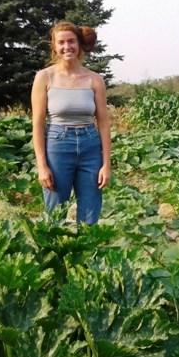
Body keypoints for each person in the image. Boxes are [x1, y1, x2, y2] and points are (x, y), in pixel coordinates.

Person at [31, 22, 111, 225]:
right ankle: (55, 255)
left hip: (90, 147)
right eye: (61, 42)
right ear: (54, 47)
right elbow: (38, 124)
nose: (67, 47)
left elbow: (103, 123)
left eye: (71, 41)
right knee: (55, 210)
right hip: (58, 145)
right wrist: (42, 166)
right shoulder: (44, 77)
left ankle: (86, 254)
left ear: (79, 44)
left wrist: (106, 164)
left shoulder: (94, 80)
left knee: (90, 211)